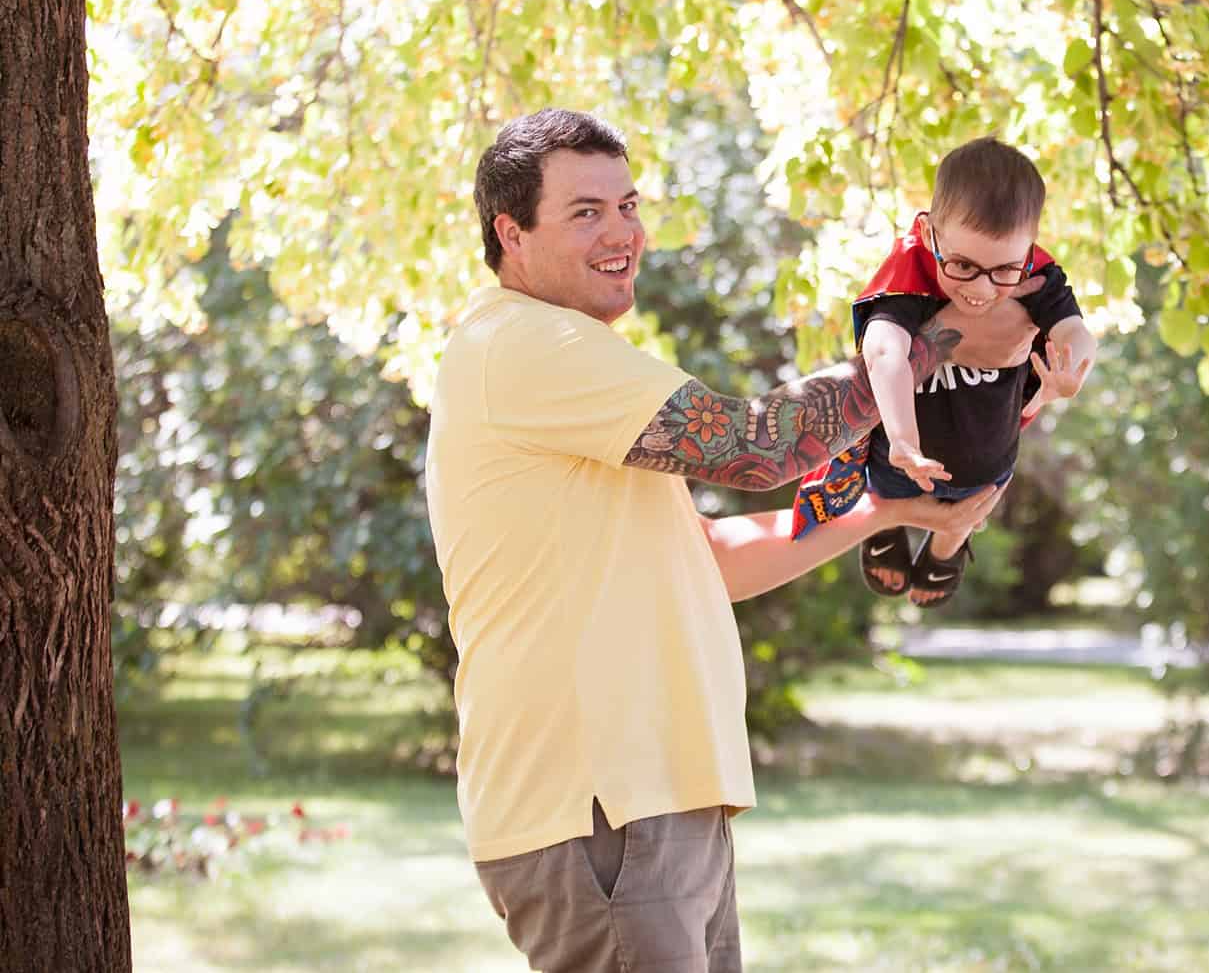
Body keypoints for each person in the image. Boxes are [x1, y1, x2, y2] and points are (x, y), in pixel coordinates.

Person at [424, 109, 1037, 972]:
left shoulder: (570, 368)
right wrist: (931, 342)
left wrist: (885, 512)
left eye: (628, 206)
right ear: (510, 233)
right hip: (598, 807)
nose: (622, 233)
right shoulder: (525, 343)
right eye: (586, 212)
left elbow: (704, 559)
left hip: (659, 803)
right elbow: (758, 445)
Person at [789, 137, 1097, 608]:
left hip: (987, 459)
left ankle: (947, 549)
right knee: (889, 498)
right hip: (900, 460)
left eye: (1004, 270)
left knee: (972, 508)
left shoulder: (1038, 272)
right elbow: (884, 351)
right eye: (963, 265)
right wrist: (903, 440)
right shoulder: (910, 269)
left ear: (1028, 247)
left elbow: (1075, 328)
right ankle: (886, 528)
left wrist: (1072, 366)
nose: (982, 288)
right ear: (931, 233)